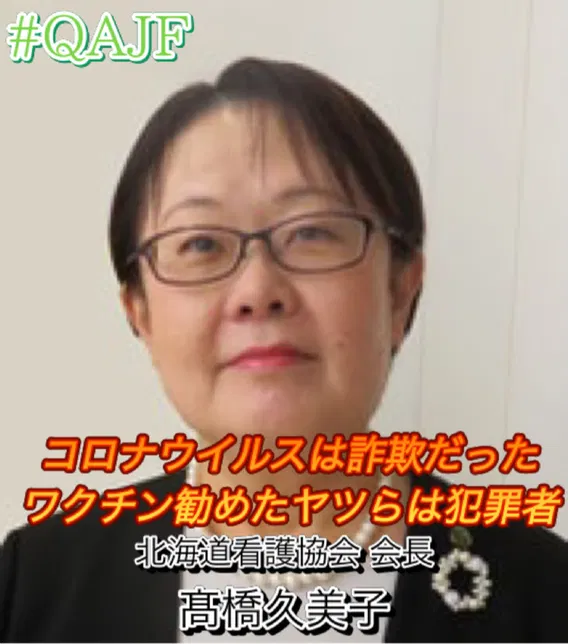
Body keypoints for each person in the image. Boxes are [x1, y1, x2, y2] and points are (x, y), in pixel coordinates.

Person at [0, 56, 567, 643]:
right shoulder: (34, 586)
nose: (257, 291)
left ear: (400, 291)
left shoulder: (546, 596)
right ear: (138, 312)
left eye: (311, 232)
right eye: (201, 244)